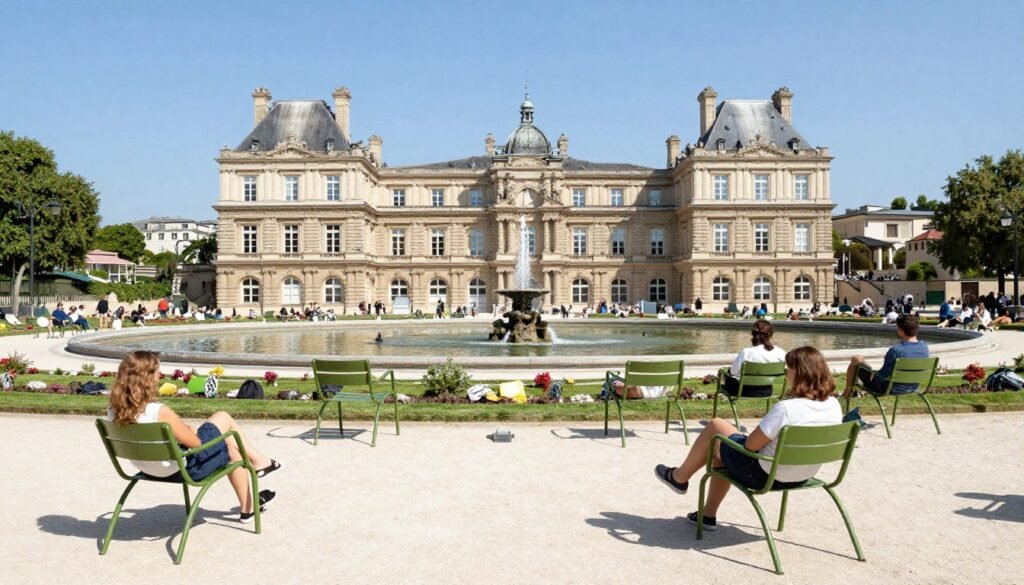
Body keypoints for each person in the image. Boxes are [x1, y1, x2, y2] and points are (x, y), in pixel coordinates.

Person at [655, 347, 842, 529]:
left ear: (800, 373)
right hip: (803, 474)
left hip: (764, 475)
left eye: (789, 369)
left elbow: (751, 446)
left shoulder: (787, 409)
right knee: (721, 447)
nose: (786, 373)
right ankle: (707, 515)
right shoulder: (834, 406)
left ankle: (679, 476)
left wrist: (743, 437)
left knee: (716, 427)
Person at [107, 350, 282, 522]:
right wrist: (189, 432)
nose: (160, 375)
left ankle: (254, 486)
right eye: (158, 372)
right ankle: (257, 471)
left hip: (146, 468)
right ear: (147, 377)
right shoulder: (159, 411)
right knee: (224, 422)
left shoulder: (113, 411)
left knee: (228, 446)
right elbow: (196, 444)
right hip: (180, 471)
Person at [843, 314, 929, 398]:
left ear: (901, 331)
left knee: (856, 360)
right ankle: (853, 392)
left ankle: (848, 392)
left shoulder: (895, 351)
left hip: (888, 388)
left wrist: (870, 371)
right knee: (859, 361)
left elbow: (882, 376)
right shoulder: (924, 348)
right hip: (912, 387)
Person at [718, 320, 786, 397]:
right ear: (770, 334)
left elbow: (734, 372)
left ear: (753, 334)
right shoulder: (780, 352)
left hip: (743, 391)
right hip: (767, 391)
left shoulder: (746, 352)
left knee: (727, 375)